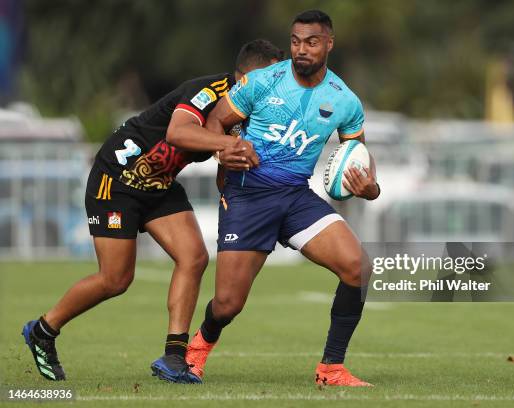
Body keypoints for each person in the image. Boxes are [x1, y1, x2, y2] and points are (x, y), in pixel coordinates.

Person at [21, 39, 283, 384]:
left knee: (193, 257)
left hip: (158, 184)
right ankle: (43, 329)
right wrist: (229, 144)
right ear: (251, 76)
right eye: (276, 76)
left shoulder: (246, 112)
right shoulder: (209, 90)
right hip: (116, 178)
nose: (282, 84)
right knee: (116, 279)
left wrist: (235, 187)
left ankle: (173, 357)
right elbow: (177, 132)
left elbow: (226, 163)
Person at [185, 10, 380, 387]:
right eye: (295, 41)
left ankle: (332, 368)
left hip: (295, 197)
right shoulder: (262, 81)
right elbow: (216, 122)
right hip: (248, 195)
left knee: (359, 268)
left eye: (310, 42)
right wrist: (224, 150)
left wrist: (370, 188)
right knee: (227, 305)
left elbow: (357, 159)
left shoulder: (345, 101)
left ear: (328, 44)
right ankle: (197, 349)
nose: (301, 50)